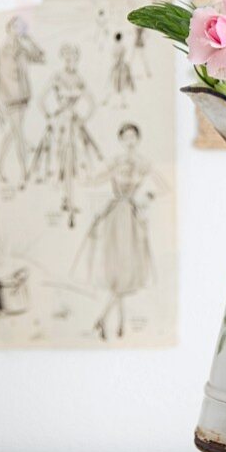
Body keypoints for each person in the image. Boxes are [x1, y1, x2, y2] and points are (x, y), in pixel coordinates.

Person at [77, 124, 164, 341]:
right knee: (119, 267)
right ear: (120, 139)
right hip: (116, 216)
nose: (129, 141)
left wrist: (148, 198)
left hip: (132, 217)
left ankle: (105, 319)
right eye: (125, 137)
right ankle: (117, 323)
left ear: (138, 138)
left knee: (127, 269)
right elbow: (97, 179)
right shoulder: (115, 161)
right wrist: (84, 176)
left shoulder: (143, 163)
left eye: (133, 136)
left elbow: (163, 186)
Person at [29, 44, 102, 227]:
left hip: (74, 125)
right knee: (59, 161)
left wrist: (83, 119)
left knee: (72, 162)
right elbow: (40, 100)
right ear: (64, 59)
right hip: (59, 125)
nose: (71, 61)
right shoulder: (57, 77)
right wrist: (49, 117)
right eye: (68, 58)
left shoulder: (79, 78)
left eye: (74, 58)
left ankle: (69, 202)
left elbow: (92, 104)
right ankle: (66, 199)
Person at [0, 16, 45, 187]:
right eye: (15, 27)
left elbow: (41, 57)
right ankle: (24, 172)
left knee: (12, 132)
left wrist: (30, 39)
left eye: (21, 27)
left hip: (23, 97)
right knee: (18, 135)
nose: (19, 30)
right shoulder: (0, 51)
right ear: (8, 29)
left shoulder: (23, 50)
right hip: (8, 99)